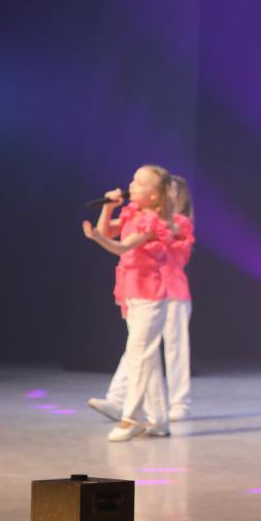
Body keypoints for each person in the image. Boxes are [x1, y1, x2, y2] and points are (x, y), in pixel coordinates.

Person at [86, 175, 196, 421]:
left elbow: (165, 227)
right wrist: (110, 208)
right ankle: (118, 400)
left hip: (172, 292)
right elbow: (110, 233)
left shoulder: (177, 222)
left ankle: (179, 403)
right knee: (137, 348)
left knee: (175, 348)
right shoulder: (140, 217)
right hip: (142, 291)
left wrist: (146, 215)